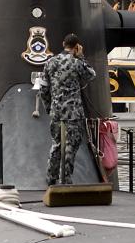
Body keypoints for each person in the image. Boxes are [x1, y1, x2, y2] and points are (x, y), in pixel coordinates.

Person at [40, 33, 97, 185]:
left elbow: (43, 89)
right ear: (77, 47)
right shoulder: (77, 63)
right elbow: (91, 75)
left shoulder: (50, 62)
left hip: (56, 111)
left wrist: (48, 108)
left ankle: (51, 177)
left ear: (63, 43)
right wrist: (82, 57)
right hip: (73, 112)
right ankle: (66, 178)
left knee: (57, 143)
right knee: (71, 145)